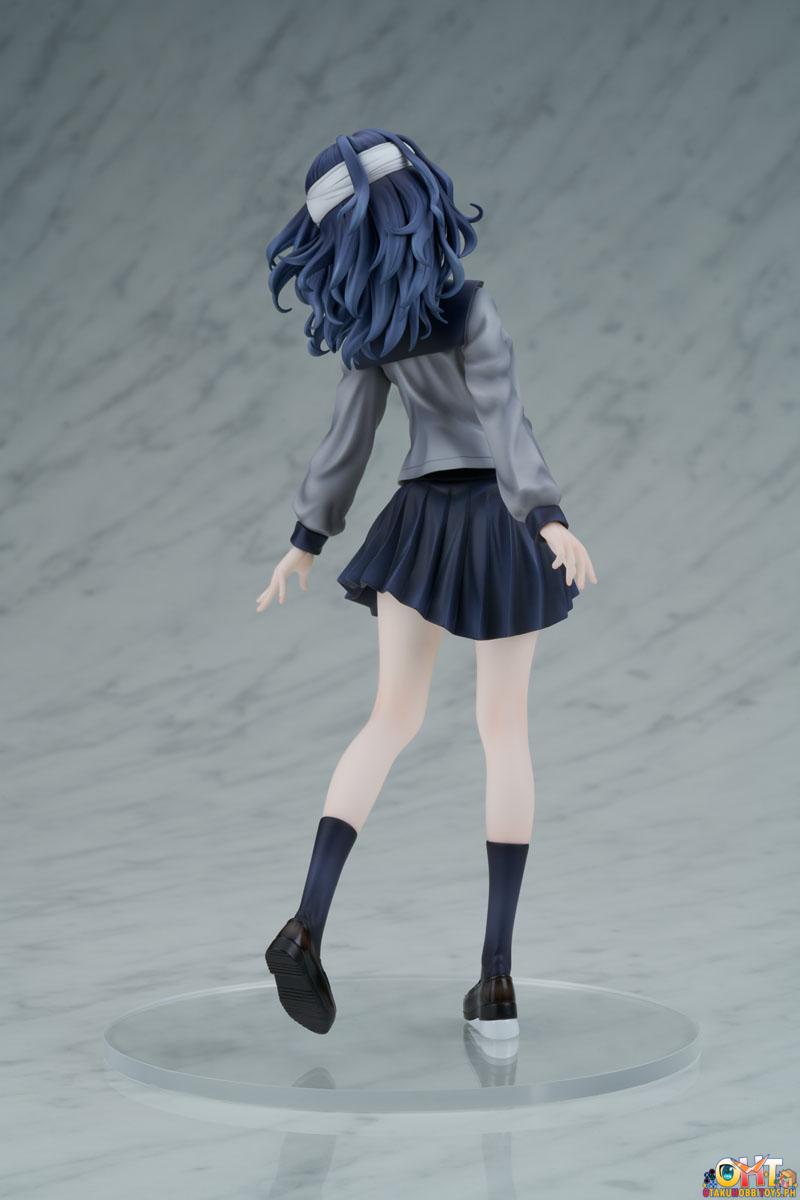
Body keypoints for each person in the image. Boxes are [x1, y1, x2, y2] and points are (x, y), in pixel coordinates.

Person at [257, 127, 597, 1038]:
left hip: (416, 523)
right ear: (424, 209)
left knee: (388, 721)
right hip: (496, 520)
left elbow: (347, 443)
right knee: (504, 732)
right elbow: (505, 421)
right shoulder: (470, 308)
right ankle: (496, 979)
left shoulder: (375, 337)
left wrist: (306, 538)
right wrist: (548, 516)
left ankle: (304, 925)